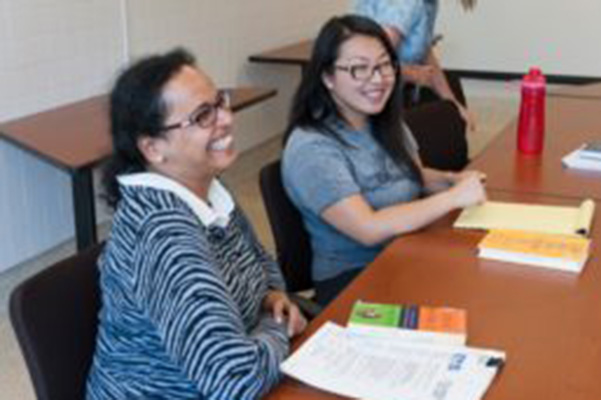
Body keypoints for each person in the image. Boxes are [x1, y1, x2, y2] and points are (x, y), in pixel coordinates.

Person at [86, 48, 306, 400]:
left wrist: (271, 295)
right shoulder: (162, 234)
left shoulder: (207, 187)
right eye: (203, 115)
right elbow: (235, 380)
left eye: (220, 101)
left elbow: (262, 264)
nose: (226, 119)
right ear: (154, 149)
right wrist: (276, 325)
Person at [281, 15, 486, 306]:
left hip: (407, 250)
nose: (377, 79)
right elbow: (368, 228)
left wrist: (452, 180)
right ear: (327, 77)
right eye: (358, 69)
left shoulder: (380, 119)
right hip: (355, 279)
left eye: (383, 65)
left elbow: (410, 175)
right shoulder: (312, 146)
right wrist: (452, 198)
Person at [353, 0, 478, 131]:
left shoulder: (428, 4)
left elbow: (423, 50)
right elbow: (371, 62)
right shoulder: (407, 4)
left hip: (393, 91)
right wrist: (412, 74)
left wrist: (454, 103)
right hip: (366, 100)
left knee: (451, 98)